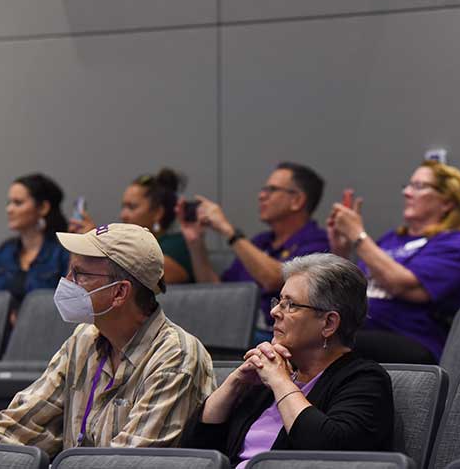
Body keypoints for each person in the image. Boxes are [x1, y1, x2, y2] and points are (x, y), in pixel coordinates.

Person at [0, 223, 215, 457]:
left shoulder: (176, 356)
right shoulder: (83, 340)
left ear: (119, 292)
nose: (66, 282)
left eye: (79, 274)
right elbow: (21, 425)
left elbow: (129, 461)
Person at [181, 253, 394, 467]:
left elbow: (329, 451)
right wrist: (234, 383)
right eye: (279, 301)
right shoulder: (266, 378)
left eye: (290, 305)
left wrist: (280, 382)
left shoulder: (365, 380)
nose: (274, 311)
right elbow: (195, 451)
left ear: (329, 323)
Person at [328, 160, 460, 363]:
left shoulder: (455, 244)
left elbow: (400, 284)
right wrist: (341, 250)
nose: (407, 193)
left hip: (412, 339)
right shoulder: (391, 239)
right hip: (362, 331)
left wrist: (358, 236)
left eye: (419, 186)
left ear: (447, 202)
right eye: (408, 185)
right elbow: (350, 293)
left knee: (326, 343)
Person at [177, 162, 329, 341]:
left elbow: (274, 279)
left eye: (271, 190)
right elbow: (219, 292)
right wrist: (195, 243)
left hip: (278, 336)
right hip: (238, 330)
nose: (261, 195)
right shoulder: (260, 242)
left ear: (297, 200)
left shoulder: (318, 242)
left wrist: (228, 230)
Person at [0, 173, 70, 321]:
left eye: (18, 203)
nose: (9, 209)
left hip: (42, 329)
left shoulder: (62, 253)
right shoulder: (4, 251)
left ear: (43, 208)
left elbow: (71, 304)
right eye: (9, 202)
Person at [70, 168, 194, 283]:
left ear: (158, 213)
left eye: (132, 207)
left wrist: (98, 245)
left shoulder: (178, 244)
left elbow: (149, 274)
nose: (123, 215)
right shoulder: (126, 246)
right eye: (123, 207)